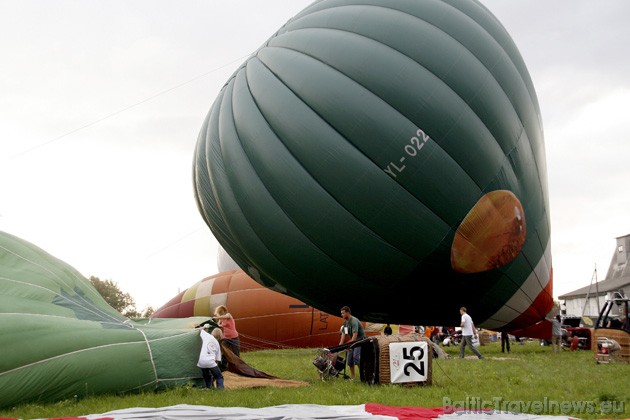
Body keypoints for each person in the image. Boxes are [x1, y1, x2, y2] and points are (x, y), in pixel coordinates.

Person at [339, 306, 366, 379]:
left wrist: (348, 345)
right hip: (353, 342)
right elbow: (344, 334)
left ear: (347, 313)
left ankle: (364, 374)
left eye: (343, 313)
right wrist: (340, 345)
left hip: (359, 340)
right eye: (341, 313)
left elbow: (355, 335)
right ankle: (353, 377)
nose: (342, 315)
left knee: (356, 358)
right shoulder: (346, 322)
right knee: (350, 361)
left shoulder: (353, 321)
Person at [197, 324, 224, 390]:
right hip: (211, 362)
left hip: (201, 361)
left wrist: (205, 326)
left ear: (212, 332)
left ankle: (208, 388)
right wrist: (215, 368)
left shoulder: (207, 336)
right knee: (219, 376)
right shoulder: (217, 344)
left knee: (207, 376)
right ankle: (220, 390)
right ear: (220, 335)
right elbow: (217, 359)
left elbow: (200, 329)